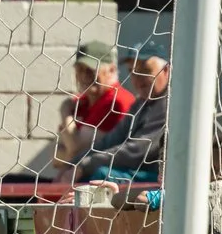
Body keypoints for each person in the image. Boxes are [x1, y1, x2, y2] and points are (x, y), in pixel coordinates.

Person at [73, 53, 169, 183]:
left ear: (166, 71)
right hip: (135, 172)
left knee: (102, 176)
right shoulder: (140, 103)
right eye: (132, 71)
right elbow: (110, 140)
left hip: (160, 179)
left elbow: (137, 151)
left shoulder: (169, 104)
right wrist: (73, 164)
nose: (137, 78)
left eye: (145, 70)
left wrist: (85, 165)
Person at [54, 39, 135, 168]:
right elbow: (55, 159)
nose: (84, 76)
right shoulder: (81, 102)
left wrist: (64, 112)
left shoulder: (116, 101)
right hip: (74, 178)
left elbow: (75, 151)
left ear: (112, 70)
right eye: (80, 69)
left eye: (91, 69)